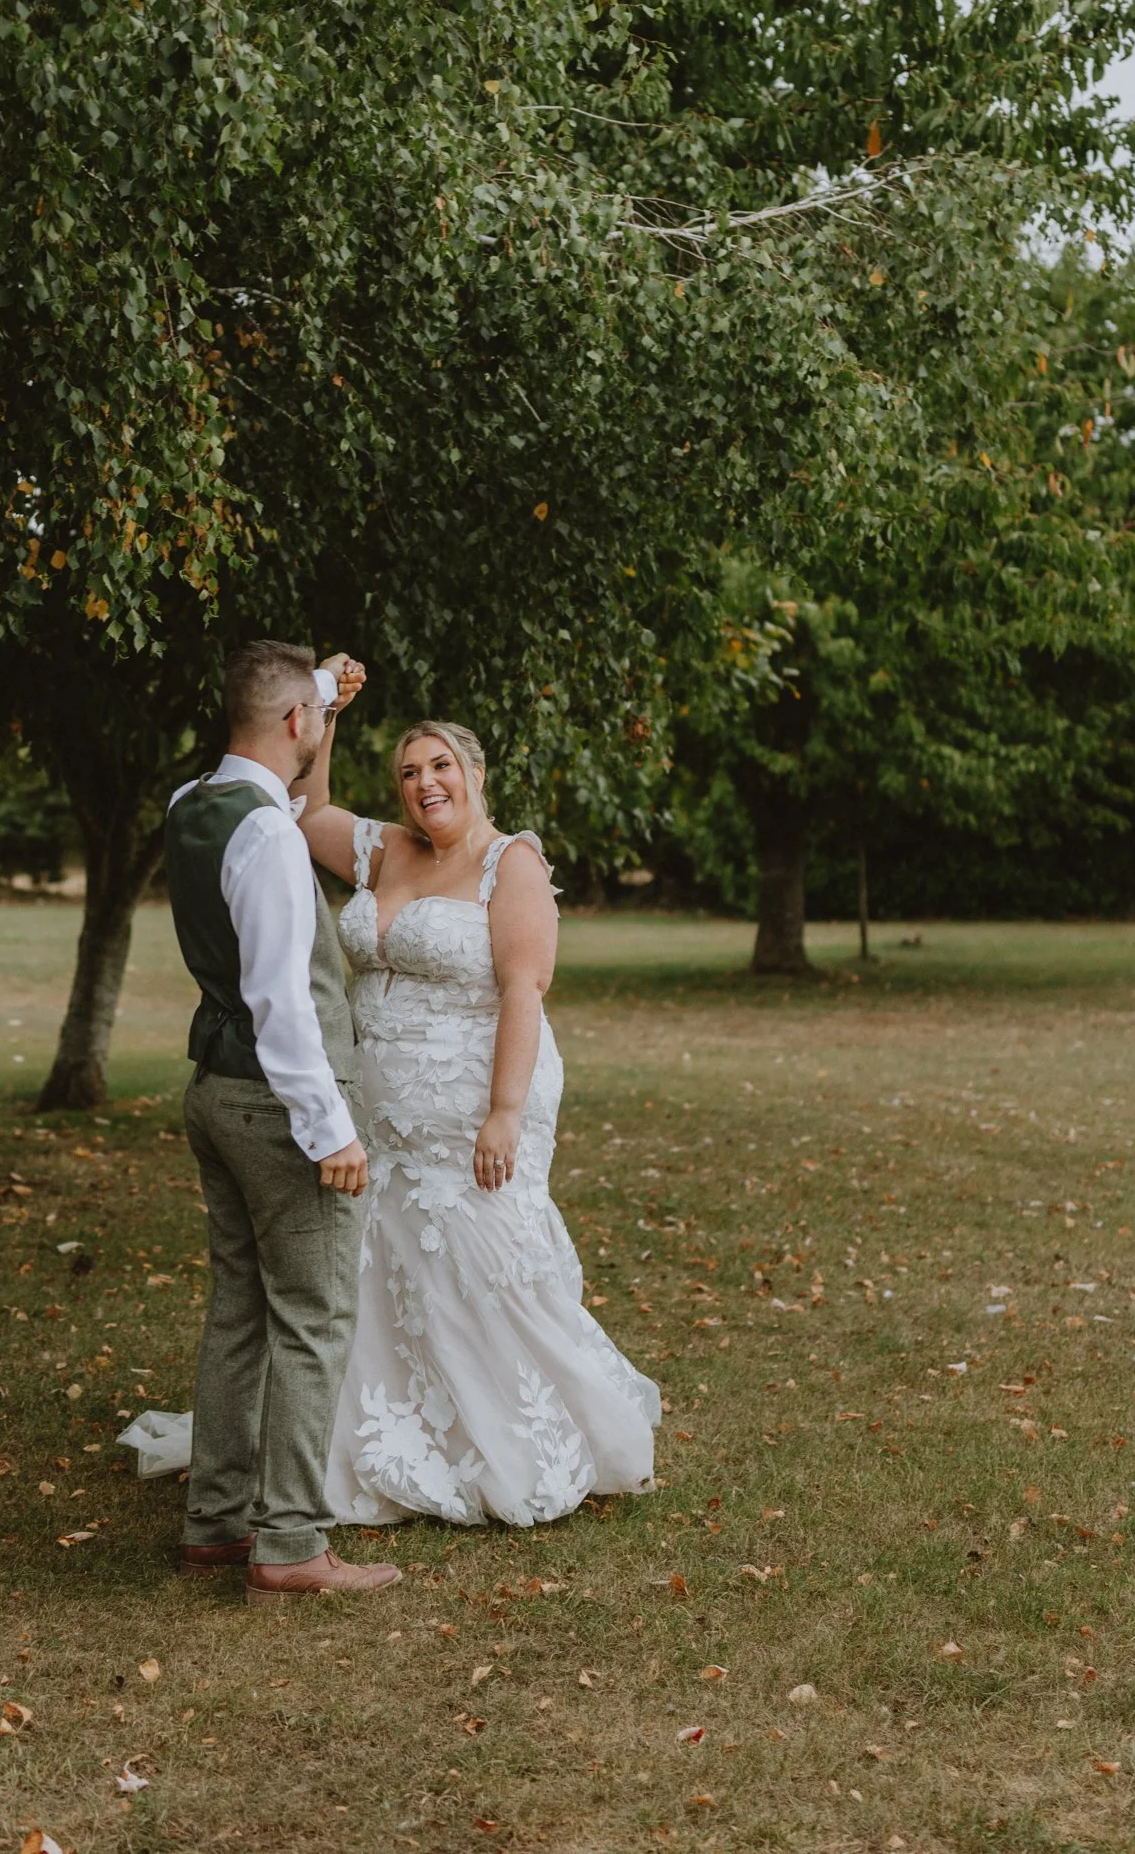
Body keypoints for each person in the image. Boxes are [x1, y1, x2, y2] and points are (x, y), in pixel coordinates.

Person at [297, 706, 661, 1526]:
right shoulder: (386, 849)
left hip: (475, 1106)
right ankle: (392, 1428)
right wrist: (323, 716)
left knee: (482, 1263)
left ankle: (516, 1439)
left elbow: (523, 989)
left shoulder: (511, 864)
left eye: (439, 766)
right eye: (409, 772)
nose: (424, 783)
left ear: (474, 771)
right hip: (383, 1114)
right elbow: (309, 812)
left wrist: (502, 1112)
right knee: (389, 1264)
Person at [165, 640, 400, 1604]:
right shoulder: (264, 837)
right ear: (293, 723)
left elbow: (293, 811)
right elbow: (282, 1002)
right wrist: (330, 1129)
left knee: (238, 1308)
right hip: (276, 1102)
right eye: (313, 717)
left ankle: (216, 1523)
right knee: (312, 1315)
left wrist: (327, 701)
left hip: (213, 1093)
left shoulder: (194, 805)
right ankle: (292, 1543)